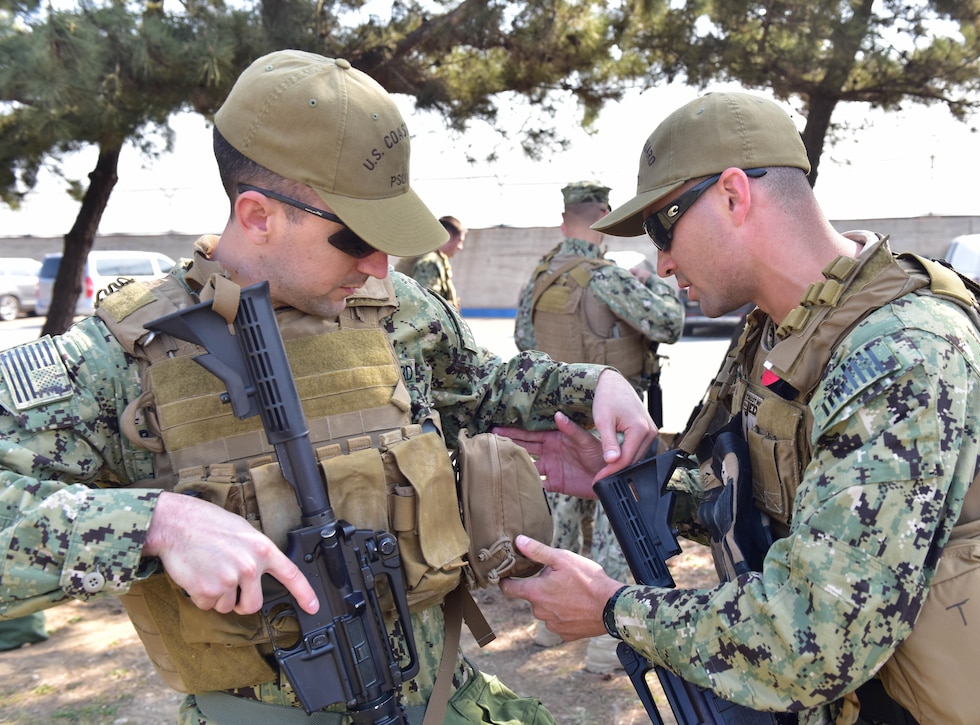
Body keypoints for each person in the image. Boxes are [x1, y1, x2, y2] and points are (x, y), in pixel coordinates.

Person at [0, 49, 656, 725]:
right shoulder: (122, 356)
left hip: (438, 698)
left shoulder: (393, 306)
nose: (379, 263)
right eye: (356, 238)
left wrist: (592, 383)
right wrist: (154, 524)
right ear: (257, 215)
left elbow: (479, 385)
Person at [496, 91, 980, 724]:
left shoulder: (904, 355)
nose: (662, 263)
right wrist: (632, 482)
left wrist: (614, 609)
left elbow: (814, 636)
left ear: (733, 195)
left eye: (663, 228)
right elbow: (761, 501)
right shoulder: (784, 332)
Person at [512, 180, 683, 672]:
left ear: (564, 217)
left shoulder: (542, 274)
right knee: (617, 526)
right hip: (611, 427)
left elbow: (525, 338)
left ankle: (549, 624)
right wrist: (650, 279)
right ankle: (608, 648)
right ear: (605, 216)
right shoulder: (609, 276)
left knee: (560, 524)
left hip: (557, 420)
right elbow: (668, 324)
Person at [395, 215, 466, 309]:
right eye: (459, 241)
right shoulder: (430, 261)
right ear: (447, 236)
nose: (460, 247)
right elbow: (424, 303)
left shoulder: (431, 256)